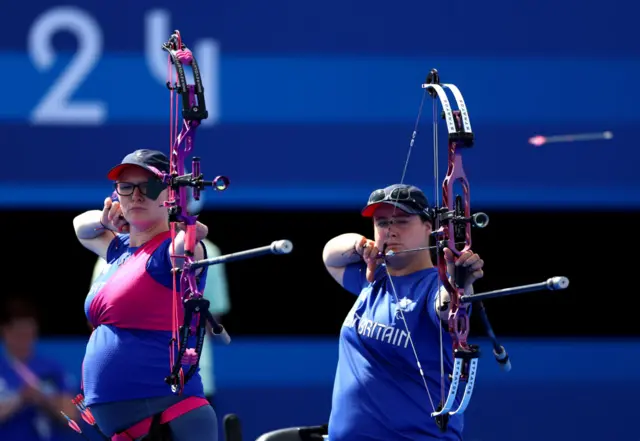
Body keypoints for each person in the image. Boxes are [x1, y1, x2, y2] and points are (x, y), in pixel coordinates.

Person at [73, 149, 218, 441]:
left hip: (171, 419)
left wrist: (187, 230)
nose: (136, 196)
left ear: (171, 195)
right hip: (126, 428)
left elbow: (185, 252)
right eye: (126, 188)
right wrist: (106, 219)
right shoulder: (118, 249)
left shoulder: (167, 251)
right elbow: (80, 227)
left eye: (149, 187)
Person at [322, 184, 485, 441]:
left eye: (402, 221)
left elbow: (447, 310)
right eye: (382, 222)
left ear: (429, 227)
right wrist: (358, 244)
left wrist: (458, 283)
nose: (390, 230)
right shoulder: (373, 277)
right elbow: (330, 256)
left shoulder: (433, 287)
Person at [89, 238, 230, 406]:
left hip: (186, 381)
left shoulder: (201, 249)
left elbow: (209, 318)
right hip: (123, 387)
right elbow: (96, 318)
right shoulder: (110, 251)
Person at [0, 295, 78, 441]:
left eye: (29, 333)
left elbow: (71, 415)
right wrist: (21, 398)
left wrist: (45, 399)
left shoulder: (52, 369)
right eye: (19, 334)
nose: (25, 340)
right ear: (6, 332)